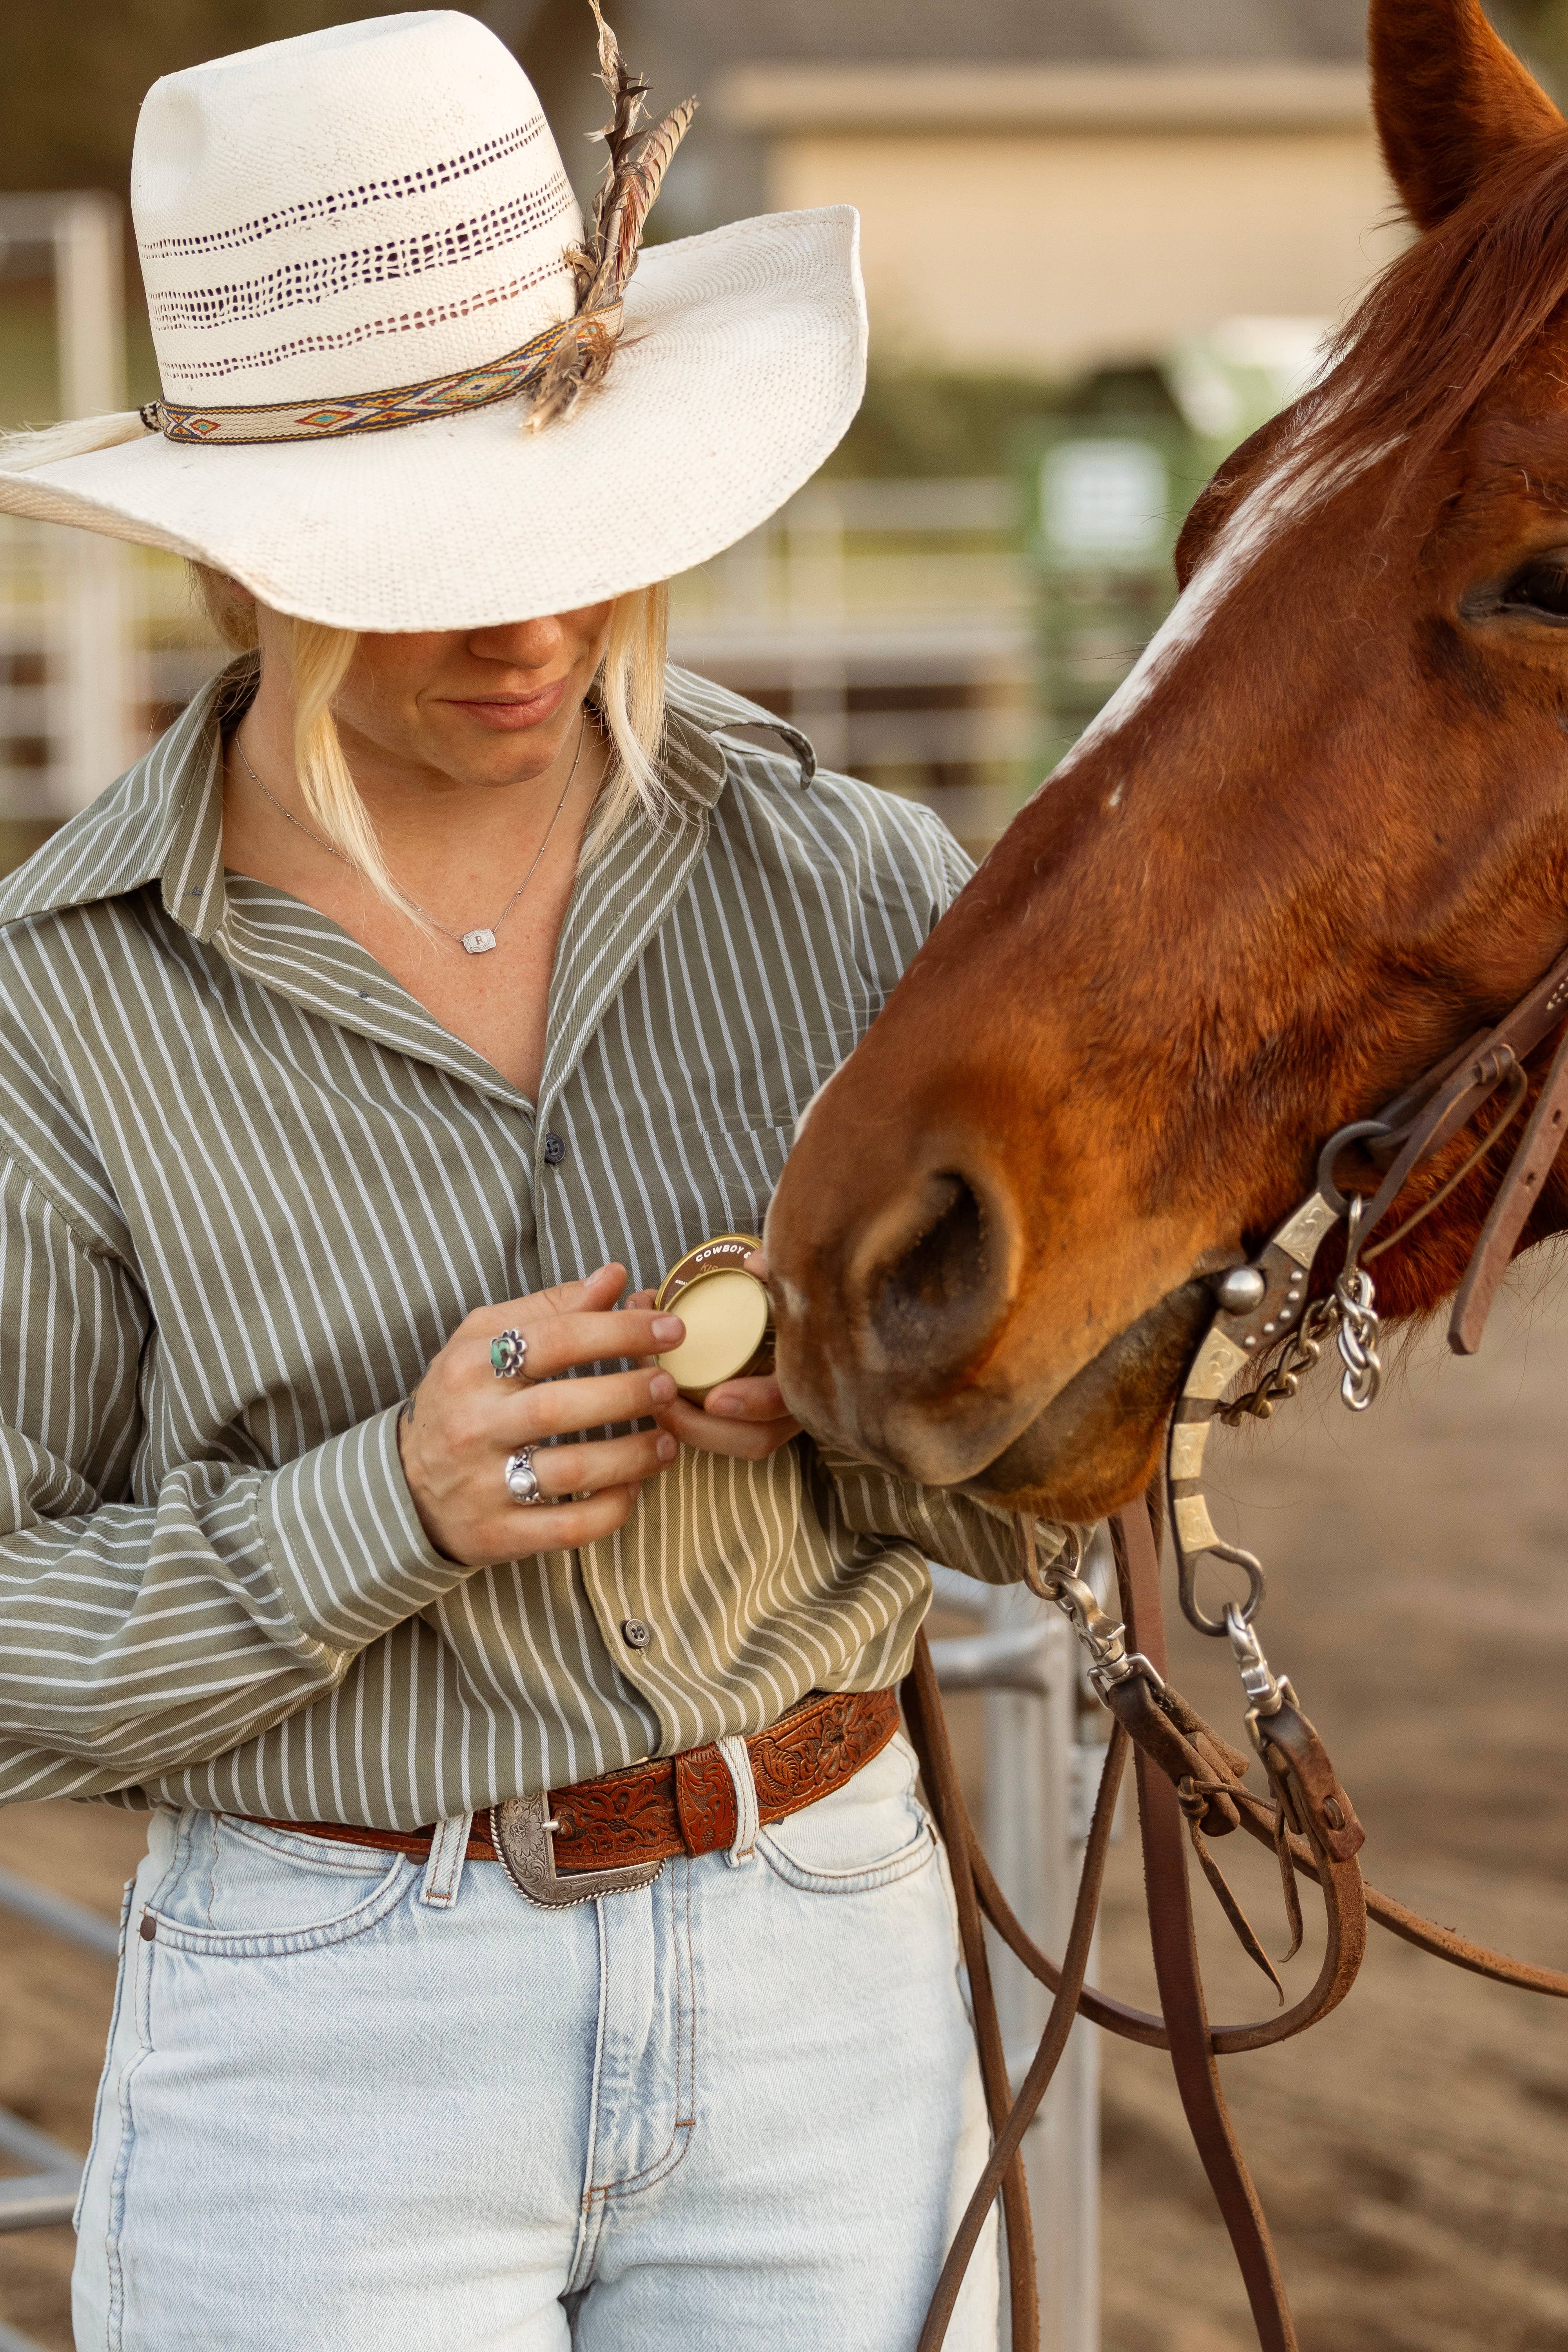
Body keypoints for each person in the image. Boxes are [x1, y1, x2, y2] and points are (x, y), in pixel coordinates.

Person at [0, 13, 1057, 2348]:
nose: (533, 625)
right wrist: (384, 1502)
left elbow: (1049, 1499)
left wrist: (872, 1409)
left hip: (828, 1973)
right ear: (245, 565)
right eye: (432, 560)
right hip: (330, 2047)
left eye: (576, 532)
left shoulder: (862, 888)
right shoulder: (57, 1003)